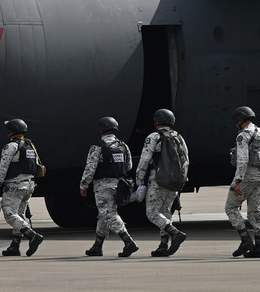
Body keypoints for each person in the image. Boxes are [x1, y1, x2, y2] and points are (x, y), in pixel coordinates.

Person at [225, 106, 260, 258]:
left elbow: (242, 161)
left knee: (230, 207)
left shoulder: (243, 136)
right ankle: (259, 246)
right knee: (255, 211)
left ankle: (245, 240)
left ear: (240, 120)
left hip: (246, 178)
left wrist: (238, 182)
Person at [80, 117, 139, 257]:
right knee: (103, 215)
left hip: (103, 186)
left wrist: (84, 184)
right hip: (119, 185)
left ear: (101, 130)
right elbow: (129, 165)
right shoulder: (123, 145)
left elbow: (90, 168)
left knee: (109, 214)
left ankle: (128, 242)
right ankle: (97, 246)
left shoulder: (98, 146)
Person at [134, 109, 190, 257]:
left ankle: (175, 233)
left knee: (152, 213)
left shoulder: (153, 137)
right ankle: (163, 245)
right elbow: (186, 160)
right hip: (174, 181)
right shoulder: (178, 137)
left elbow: (144, 160)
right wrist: (182, 178)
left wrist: (140, 181)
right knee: (165, 211)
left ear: (156, 121)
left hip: (157, 179)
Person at [0, 119, 44, 257]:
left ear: (11, 132)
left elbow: (3, 168)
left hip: (15, 185)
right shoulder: (30, 146)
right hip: (29, 184)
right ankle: (15, 246)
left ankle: (32, 235)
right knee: (19, 215)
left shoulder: (11, 147)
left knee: (9, 214)